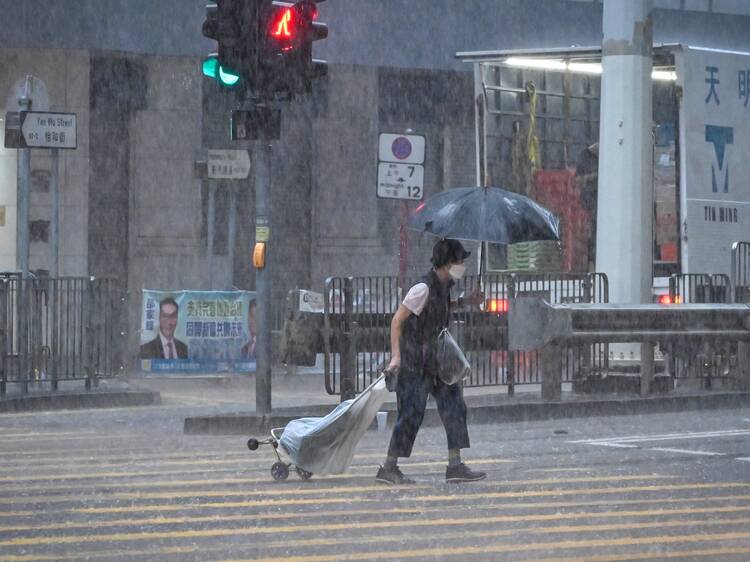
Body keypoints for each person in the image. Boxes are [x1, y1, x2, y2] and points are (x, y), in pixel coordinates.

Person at [376, 238, 487, 485]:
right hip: (415, 362)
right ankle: (389, 467)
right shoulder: (422, 288)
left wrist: (467, 301)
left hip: (438, 363)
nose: (462, 267)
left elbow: (439, 310)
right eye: (459, 262)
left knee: (454, 407)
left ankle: (455, 466)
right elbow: (397, 321)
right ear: (447, 264)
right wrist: (396, 356)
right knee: (411, 414)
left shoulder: (444, 287)